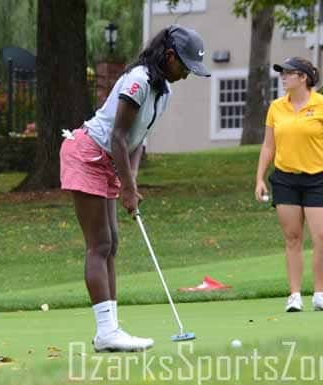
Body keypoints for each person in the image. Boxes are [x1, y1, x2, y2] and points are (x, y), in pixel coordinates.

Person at [60, 25, 210, 352]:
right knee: (99, 244)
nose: (186, 74)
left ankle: (110, 331)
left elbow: (136, 140)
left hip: (111, 158)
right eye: (185, 66)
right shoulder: (138, 81)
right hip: (87, 154)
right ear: (169, 56)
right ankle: (107, 332)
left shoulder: (163, 91)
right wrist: (126, 187)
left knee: (111, 243)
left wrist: (132, 181)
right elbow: (117, 136)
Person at [254, 57, 323, 312]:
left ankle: (319, 293)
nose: (283, 77)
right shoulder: (276, 107)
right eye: (282, 73)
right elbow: (268, 146)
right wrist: (259, 178)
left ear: (303, 77)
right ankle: (294, 295)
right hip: (285, 179)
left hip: (318, 178)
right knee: (293, 238)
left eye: (287, 73)